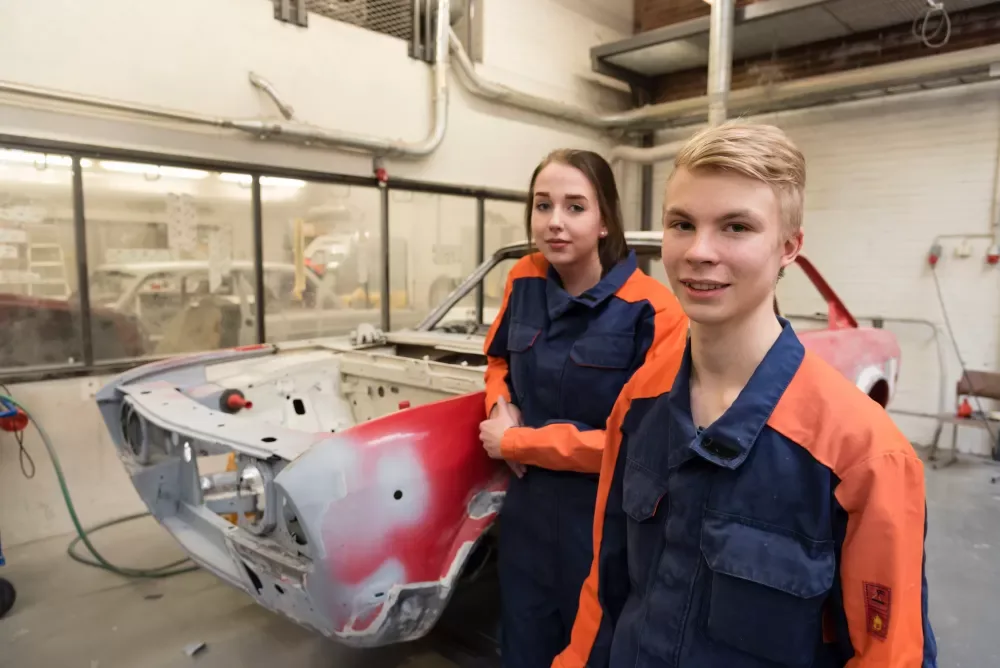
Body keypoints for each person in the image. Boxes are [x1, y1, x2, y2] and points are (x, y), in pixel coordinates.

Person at [554, 121, 937, 668]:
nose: (698, 252)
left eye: (736, 227)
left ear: (790, 247)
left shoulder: (864, 454)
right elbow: (604, 592)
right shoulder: (639, 402)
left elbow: (890, 654)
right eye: (682, 224)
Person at [478, 148, 689, 668]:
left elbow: (641, 446)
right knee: (522, 638)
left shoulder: (655, 312)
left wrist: (517, 442)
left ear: (604, 220)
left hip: (604, 520)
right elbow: (499, 359)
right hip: (526, 508)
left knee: (595, 647)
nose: (554, 222)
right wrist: (499, 404)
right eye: (542, 205)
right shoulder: (523, 278)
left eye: (575, 207)